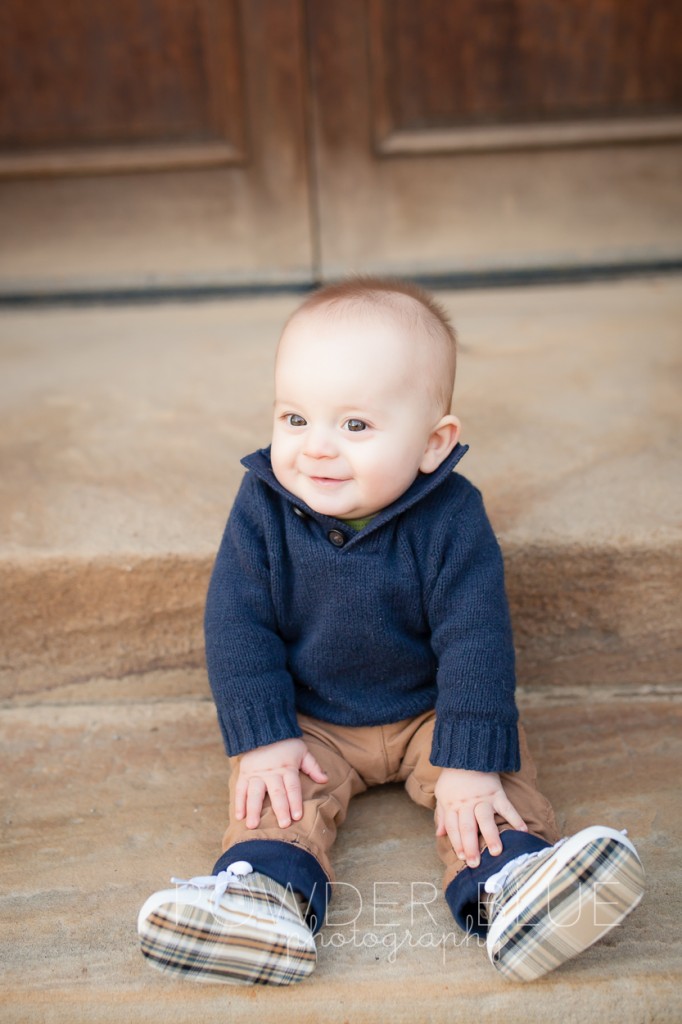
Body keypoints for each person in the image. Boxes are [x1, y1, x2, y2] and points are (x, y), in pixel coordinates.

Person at [137, 277, 644, 985]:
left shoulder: (454, 519)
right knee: (275, 798)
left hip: (430, 711)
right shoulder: (261, 508)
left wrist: (468, 759)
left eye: (355, 426)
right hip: (310, 720)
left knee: (494, 778)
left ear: (434, 443)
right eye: (293, 418)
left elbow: (476, 641)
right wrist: (264, 738)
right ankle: (267, 894)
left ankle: (512, 884)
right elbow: (236, 622)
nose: (315, 448)